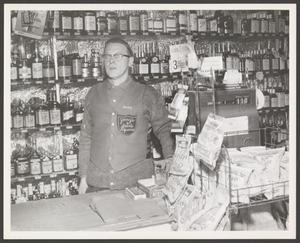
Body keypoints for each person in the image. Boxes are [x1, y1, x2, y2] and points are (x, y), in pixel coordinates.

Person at [78, 37, 174, 194]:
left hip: (135, 184)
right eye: (107, 56)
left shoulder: (147, 94)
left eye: (117, 56)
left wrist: (171, 161)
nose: (111, 60)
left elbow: (163, 129)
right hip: (97, 183)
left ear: (130, 61)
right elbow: (86, 137)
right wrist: (83, 178)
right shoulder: (94, 93)